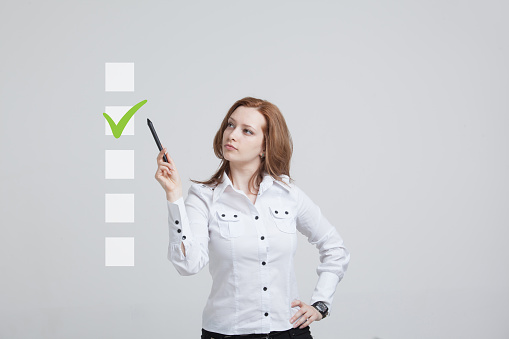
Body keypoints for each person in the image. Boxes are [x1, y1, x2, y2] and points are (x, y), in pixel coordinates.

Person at [155, 97, 350, 339]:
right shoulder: (204, 197)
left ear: (266, 146)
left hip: (289, 332)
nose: (232, 135)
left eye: (247, 131)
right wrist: (174, 195)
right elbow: (188, 265)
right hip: (228, 334)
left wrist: (321, 304)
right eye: (230, 125)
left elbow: (334, 247)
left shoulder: (287, 194)